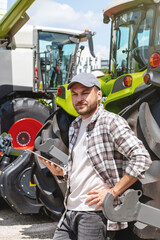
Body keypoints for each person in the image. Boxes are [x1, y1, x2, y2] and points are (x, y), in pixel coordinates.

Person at [39, 72, 152, 240]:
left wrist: (113, 192)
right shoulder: (75, 126)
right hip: (70, 211)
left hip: (93, 214)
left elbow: (142, 158)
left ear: (98, 94)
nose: (79, 98)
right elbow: (88, 165)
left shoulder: (111, 122)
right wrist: (62, 173)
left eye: (85, 93)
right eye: (75, 94)